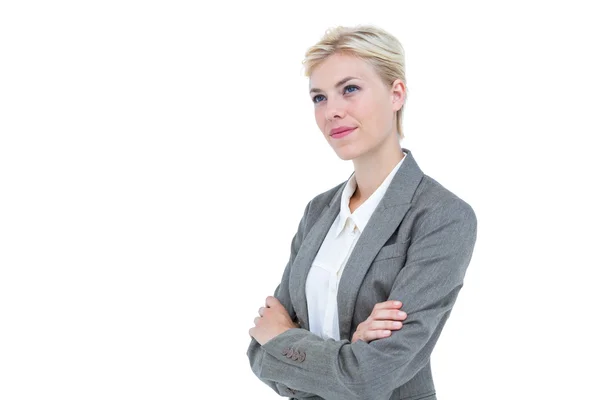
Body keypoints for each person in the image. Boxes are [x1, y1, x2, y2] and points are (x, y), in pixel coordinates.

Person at [246, 24, 477, 400]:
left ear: (396, 93)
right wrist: (346, 355)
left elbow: (372, 377)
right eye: (319, 98)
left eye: (349, 89)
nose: (332, 111)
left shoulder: (443, 216)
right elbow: (259, 351)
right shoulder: (318, 211)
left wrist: (290, 342)